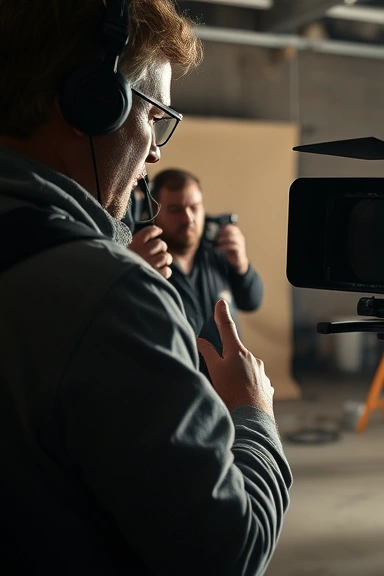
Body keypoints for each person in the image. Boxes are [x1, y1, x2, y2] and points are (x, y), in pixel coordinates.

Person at [0, 1, 291, 574]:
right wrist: (254, 415)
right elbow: (229, 552)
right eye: (155, 117)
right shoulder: (110, 293)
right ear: (93, 103)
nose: (156, 151)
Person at [147, 167, 264, 336]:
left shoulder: (219, 249)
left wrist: (242, 266)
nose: (188, 218)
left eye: (194, 207)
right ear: (153, 212)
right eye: (175, 210)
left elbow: (252, 302)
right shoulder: (146, 259)